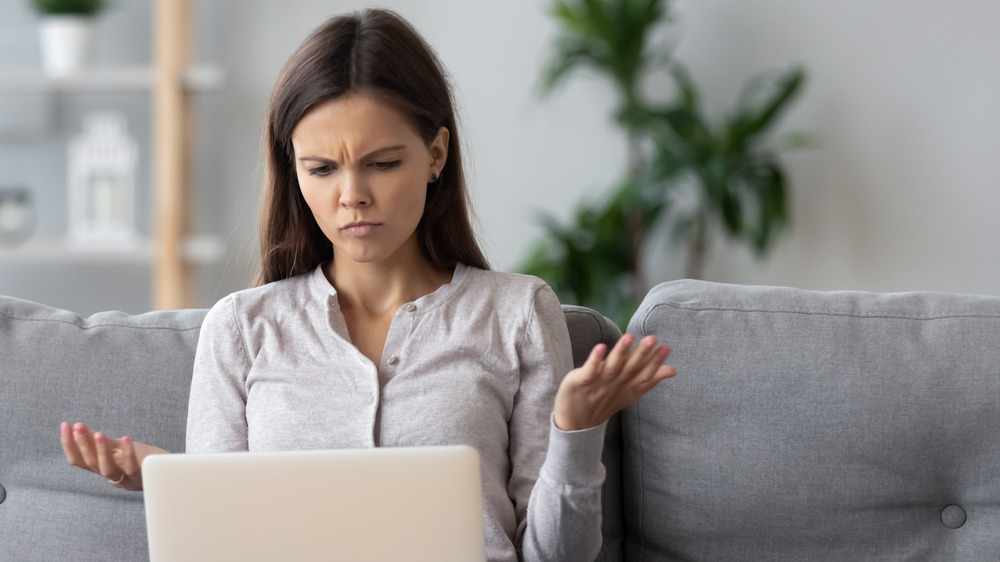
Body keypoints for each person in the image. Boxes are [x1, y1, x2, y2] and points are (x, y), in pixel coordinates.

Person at [60, 8, 675, 561]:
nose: (352, 195)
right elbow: (225, 545)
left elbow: (556, 559)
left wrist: (574, 433)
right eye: (321, 169)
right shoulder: (242, 328)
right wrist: (174, 484)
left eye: (382, 163)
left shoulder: (516, 313)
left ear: (435, 155)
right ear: (291, 170)